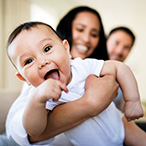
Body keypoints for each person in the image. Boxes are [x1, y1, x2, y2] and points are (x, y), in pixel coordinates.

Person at [7, 21, 143, 146]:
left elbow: (119, 67)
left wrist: (133, 101)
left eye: (47, 49)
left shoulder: (82, 66)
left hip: (122, 131)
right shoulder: (42, 97)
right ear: (23, 78)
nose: (43, 62)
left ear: (66, 49)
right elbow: (34, 131)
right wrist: (37, 100)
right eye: (28, 61)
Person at [106, 27, 136, 111]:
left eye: (126, 47)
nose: (119, 51)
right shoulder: (90, 66)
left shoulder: (124, 78)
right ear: (106, 41)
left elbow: (124, 112)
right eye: (116, 43)